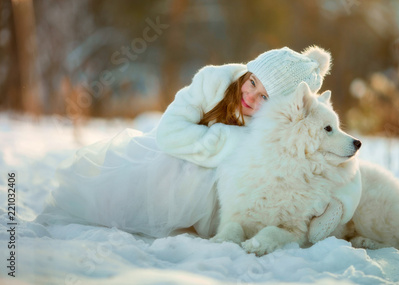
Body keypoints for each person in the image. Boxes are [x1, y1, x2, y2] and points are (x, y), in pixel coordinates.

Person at [37, 45, 347, 240]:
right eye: (252, 81)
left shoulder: (279, 123)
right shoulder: (212, 82)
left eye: (265, 96)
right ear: (248, 71)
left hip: (229, 188)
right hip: (174, 163)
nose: (250, 96)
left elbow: (312, 142)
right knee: (138, 191)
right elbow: (169, 134)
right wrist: (229, 139)